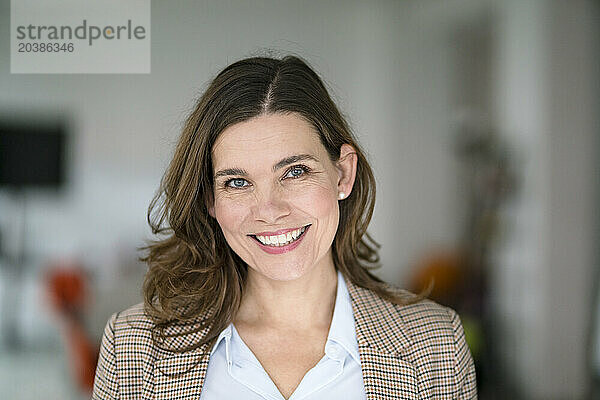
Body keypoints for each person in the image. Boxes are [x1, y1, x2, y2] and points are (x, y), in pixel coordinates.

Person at [92, 55, 477, 400]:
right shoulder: (133, 349)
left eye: (295, 172)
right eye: (237, 182)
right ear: (210, 199)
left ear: (343, 173)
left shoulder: (435, 345)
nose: (269, 210)